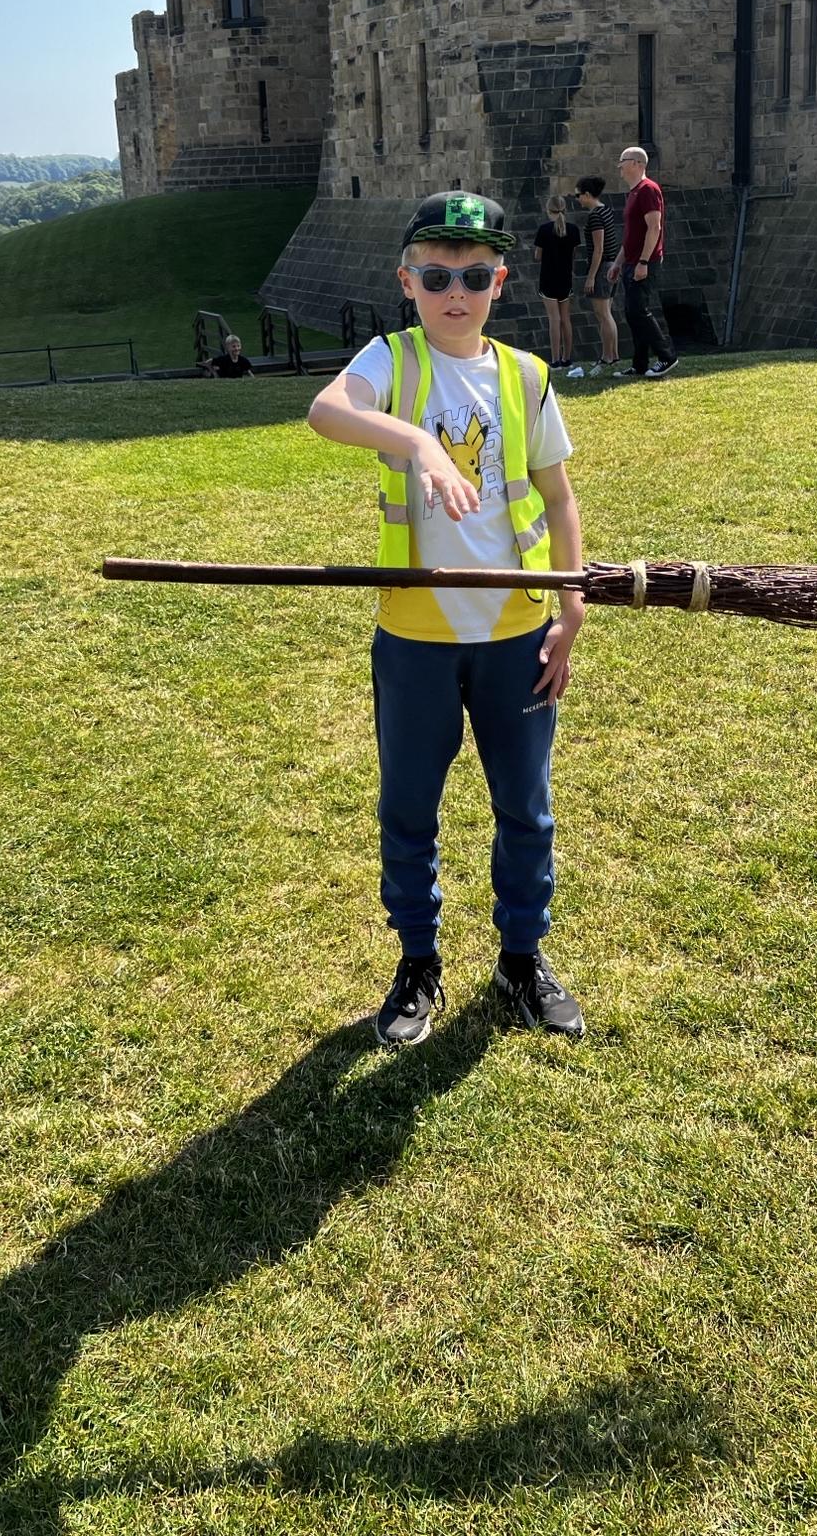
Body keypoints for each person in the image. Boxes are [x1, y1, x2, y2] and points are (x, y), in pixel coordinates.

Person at [308, 190, 587, 1048]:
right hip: (416, 640)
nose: (453, 293)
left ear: (500, 282)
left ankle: (521, 958)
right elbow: (326, 410)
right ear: (408, 282)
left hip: (515, 636)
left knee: (526, 809)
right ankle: (418, 962)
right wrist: (419, 442)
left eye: (472, 276)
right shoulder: (392, 360)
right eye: (435, 277)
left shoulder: (526, 376)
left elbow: (559, 498)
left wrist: (571, 609)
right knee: (409, 810)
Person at [606, 146, 679, 379]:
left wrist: (644, 261)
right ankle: (639, 364)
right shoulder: (634, 192)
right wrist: (618, 263)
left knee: (638, 310)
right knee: (632, 312)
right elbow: (631, 236)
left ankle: (666, 356)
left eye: (623, 161)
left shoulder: (648, 189)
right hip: (631, 262)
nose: (620, 166)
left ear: (637, 163)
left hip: (644, 262)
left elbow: (654, 227)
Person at [566, 176, 621, 378]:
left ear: (588, 195)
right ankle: (612, 355)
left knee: (603, 315)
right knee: (607, 314)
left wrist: (591, 277)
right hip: (611, 266)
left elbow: (598, 249)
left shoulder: (596, 216)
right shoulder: (606, 210)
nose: (578, 199)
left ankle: (607, 357)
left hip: (602, 268)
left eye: (578, 195)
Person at [533, 193, 581, 370]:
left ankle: (555, 360)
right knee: (565, 319)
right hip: (565, 278)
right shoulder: (573, 229)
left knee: (554, 319)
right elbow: (574, 254)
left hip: (548, 278)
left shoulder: (544, 230)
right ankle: (567, 358)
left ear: (549, 210)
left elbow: (538, 255)